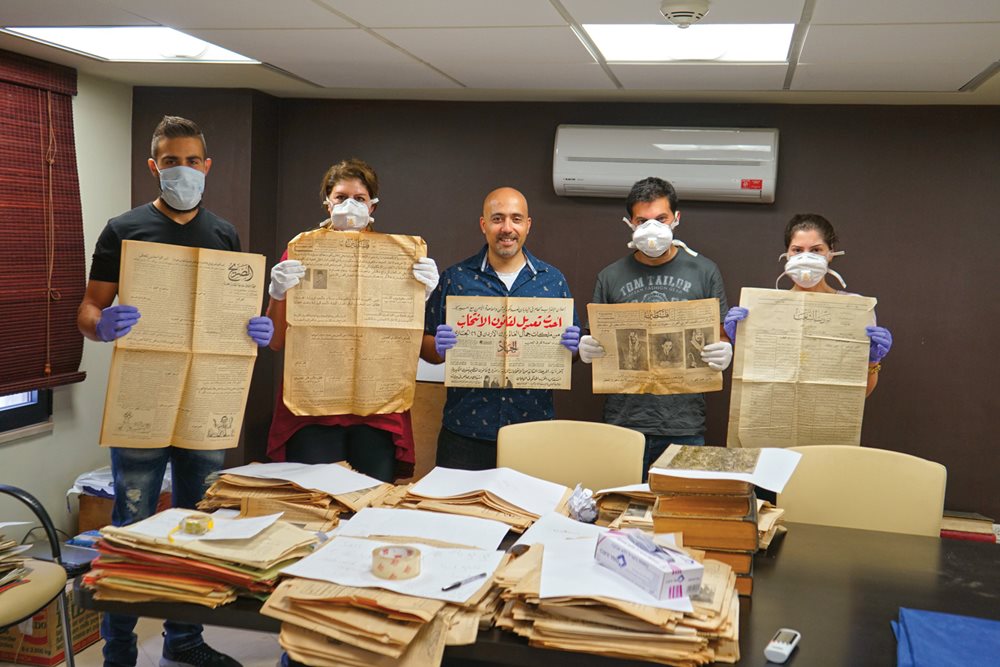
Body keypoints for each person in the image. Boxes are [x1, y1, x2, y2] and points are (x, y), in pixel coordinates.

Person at [77, 116, 270, 667]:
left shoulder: (224, 233)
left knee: (198, 524)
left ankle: (185, 642)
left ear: (207, 167)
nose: (181, 170)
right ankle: (118, 651)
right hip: (143, 394)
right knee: (133, 525)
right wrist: (101, 324)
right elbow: (88, 308)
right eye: (170, 161)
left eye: (191, 161)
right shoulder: (124, 228)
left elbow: (238, 314)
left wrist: (256, 327)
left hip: (207, 398)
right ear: (153, 166)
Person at [265, 158, 438, 482]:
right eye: (341, 196)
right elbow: (275, 341)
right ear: (327, 202)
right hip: (312, 408)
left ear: (372, 206)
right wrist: (277, 293)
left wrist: (419, 296)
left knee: (368, 505)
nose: (350, 204)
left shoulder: (399, 257)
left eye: (359, 198)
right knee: (313, 502)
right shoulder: (301, 251)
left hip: (376, 407)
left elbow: (405, 339)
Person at [578, 177, 733, 479]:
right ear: (629, 224)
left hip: (684, 423)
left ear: (676, 218)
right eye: (642, 220)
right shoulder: (609, 276)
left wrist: (725, 350)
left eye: (661, 218)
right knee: (620, 514)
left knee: (679, 514)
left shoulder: (704, 270)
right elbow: (594, 336)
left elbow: (722, 333)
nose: (652, 227)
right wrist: (587, 348)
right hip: (623, 422)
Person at [421, 187, 581, 470]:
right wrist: (437, 347)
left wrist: (574, 348)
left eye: (516, 219)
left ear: (528, 225)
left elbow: (572, 355)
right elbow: (425, 345)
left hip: (533, 432)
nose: (507, 228)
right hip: (464, 433)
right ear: (484, 225)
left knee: (528, 513)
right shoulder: (455, 279)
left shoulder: (553, 281)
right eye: (497, 219)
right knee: (456, 513)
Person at [723, 213, 892, 397]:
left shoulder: (855, 309)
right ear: (787, 254)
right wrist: (741, 342)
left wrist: (872, 361)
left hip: (828, 417)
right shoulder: (766, 310)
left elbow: (861, 394)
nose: (805, 258)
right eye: (797, 250)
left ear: (830, 253)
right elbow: (752, 381)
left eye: (816, 250)